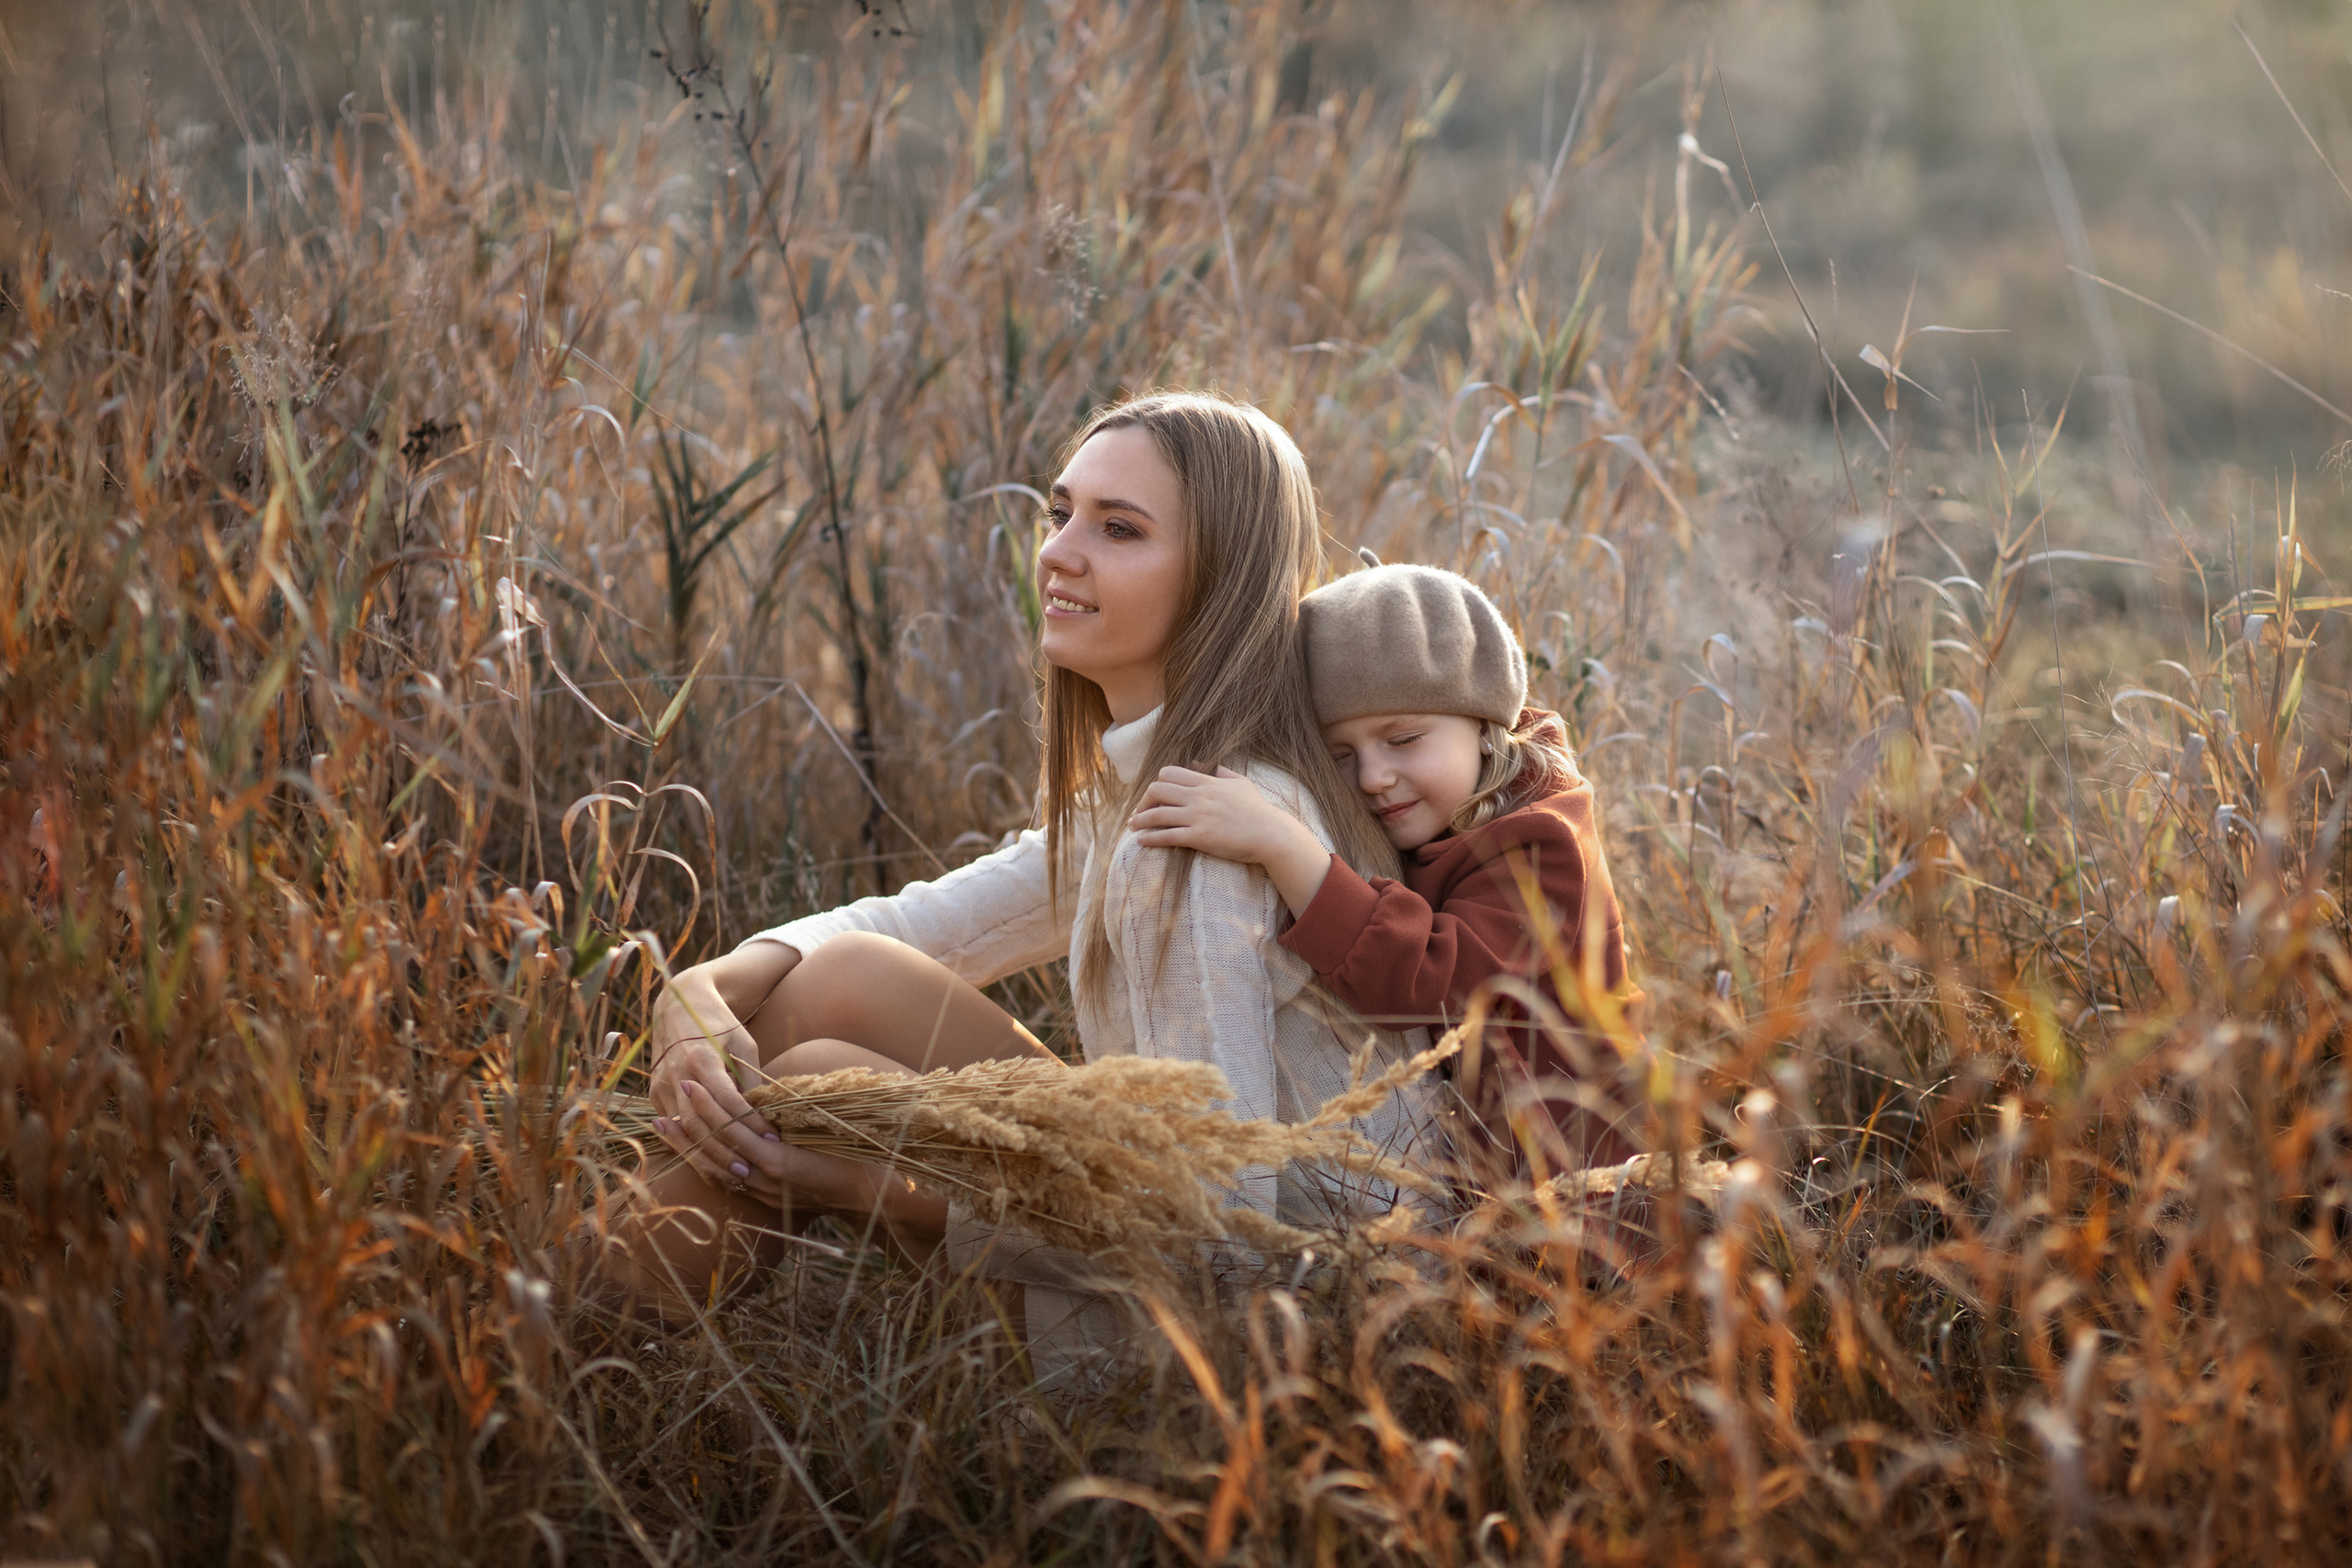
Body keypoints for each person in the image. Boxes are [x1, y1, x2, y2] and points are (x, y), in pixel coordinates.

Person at [605, 394, 1433, 1359]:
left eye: (1119, 529)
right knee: (839, 983)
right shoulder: (1168, 786)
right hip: (1203, 1270)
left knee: (813, 1084)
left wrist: (873, 1189)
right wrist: (694, 996)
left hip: (1253, 1347)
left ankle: (549, 1346)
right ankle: (560, 1333)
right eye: (1060, 512)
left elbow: (1221, 1237)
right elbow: (926, 924)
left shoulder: (1207, 837)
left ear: (1222, 578)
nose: (1058, 553)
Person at [1126, 561, 1638, 1193]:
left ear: (1484, 726)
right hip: (1489, 1186)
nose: (1372, 777)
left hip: (1581, 1197)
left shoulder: (1544, 846)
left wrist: (1282, 843)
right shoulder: (1441, 817)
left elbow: (1430, 981)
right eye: (1341, 755)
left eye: (1403, 739)